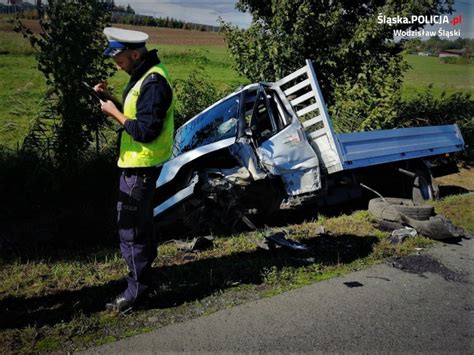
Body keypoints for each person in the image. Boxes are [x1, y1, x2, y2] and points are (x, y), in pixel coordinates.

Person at [96, 27, 174, 313]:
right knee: (140, 226)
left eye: (119, 58)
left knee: (131, 231)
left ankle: (135, 294)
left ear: (135, 53)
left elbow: (145, 130)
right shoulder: (143, 75)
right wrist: (110, 101)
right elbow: (137, 115)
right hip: (137, 165)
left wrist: (114, 113)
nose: (117, 64)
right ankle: (145, 279)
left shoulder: (153, 83)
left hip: (140, 167)